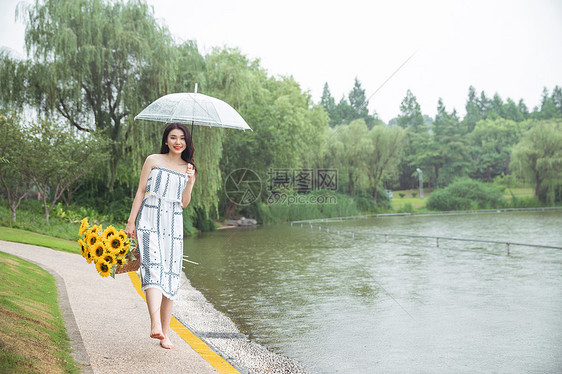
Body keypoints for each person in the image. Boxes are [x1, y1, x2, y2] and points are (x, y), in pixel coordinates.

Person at [125, 123, 196, 349]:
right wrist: (131, 221)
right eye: (173, 137)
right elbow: (141, 191)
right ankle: (155, 323)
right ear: (166, 140)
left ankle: (165, 333)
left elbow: (184, 203)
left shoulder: (189, 168)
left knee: (171, 276)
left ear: (186, 142)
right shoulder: (153, 160)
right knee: (153, 268)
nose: (177, 142)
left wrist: (191, 181)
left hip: (173, 224)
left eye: (182, 138)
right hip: (149, 219)